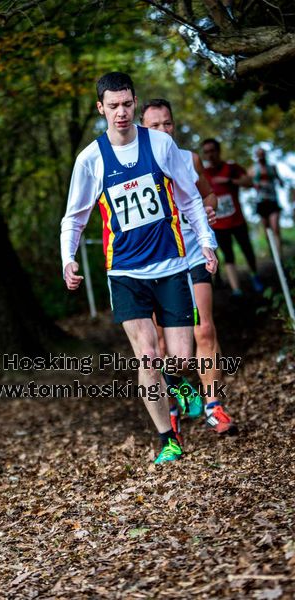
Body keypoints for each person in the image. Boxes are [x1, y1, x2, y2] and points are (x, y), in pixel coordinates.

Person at [61, 72, 218, 464]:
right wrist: (68, 258)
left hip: (171, 266)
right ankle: (168, 438)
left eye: (127, 104)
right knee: (147, 356)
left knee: (180, 357)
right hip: (126, 273)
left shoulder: (161, 144)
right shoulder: (91, 158)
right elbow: (74, 217)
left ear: (135, 103)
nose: (120, 112)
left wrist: (207, 243)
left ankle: (180, 384)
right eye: (112, 106)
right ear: (100, 108)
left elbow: (191, 199)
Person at [140, 99, 237, 440]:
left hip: (193, 255)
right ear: (142, 129)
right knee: (164, 348)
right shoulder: (135, 166)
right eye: (154, 125)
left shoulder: (188, 158)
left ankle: (214, 406)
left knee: (204, 330)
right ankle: (174, 404)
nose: (163, 130)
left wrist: (209, 213)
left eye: (167, 123)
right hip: (156, 262)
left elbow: (208, 196)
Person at [201, 138, 263, 296]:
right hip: (219, 225)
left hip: (237, 220)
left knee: (247, 251)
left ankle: (255, 277)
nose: (210, 155)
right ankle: (236, 290)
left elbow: (249, 182)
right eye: (206, 152)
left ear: (218, 151)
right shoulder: (204, 174)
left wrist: (229, 180)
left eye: (212, 151)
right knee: (228, 255)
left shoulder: (231, 167)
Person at [249, 147, 283, 257]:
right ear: (256, 156)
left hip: (273, 200)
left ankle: (279, 254)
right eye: (259, 154)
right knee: (267, 230)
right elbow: (249, 184)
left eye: (262, 154)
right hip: (261, 201)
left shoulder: (272, 167)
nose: (261, 156)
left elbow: (280, 181)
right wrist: (256, 184)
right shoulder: (253, 169)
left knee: (275, 228)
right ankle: (273, 252)